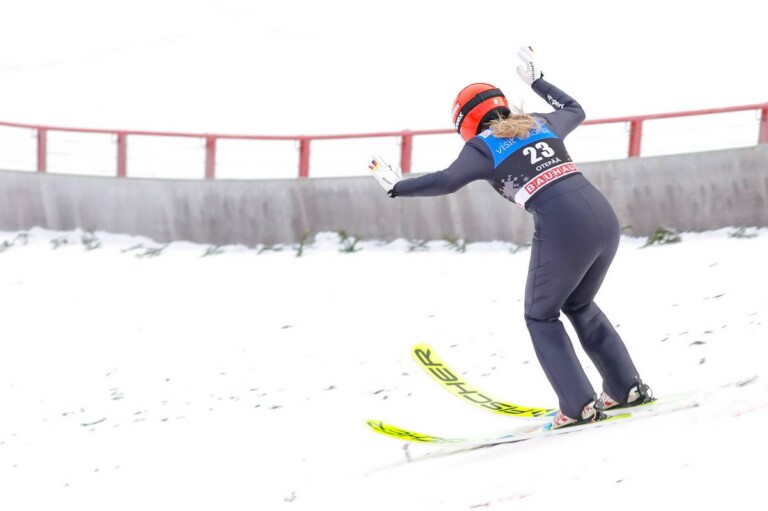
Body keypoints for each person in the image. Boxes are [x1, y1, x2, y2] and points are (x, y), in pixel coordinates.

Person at [369, 46, 652, 429]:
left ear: (464, 123)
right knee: (579, 303)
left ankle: (578, 403)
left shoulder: (482, 146)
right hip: (603, 216)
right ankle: (625, 387)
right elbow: (575, 109)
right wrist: (538, 81)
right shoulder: (539, 122)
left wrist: (398, 187)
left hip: (564, 228)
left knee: (540, 314)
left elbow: (446, 180)